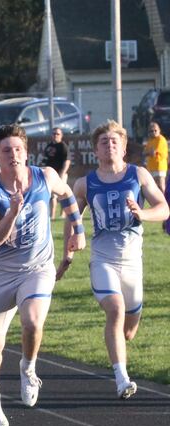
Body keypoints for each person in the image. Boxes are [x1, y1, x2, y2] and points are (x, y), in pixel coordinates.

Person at [0, 124, 85, 426]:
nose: (13, 155)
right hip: (3, 273)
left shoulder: (45, 176)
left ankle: (28, 368)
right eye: (6, 150)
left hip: (38, 268)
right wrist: (12, 213)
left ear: (27, 153)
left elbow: (67, 194)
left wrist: (78, 230)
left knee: (33, 322)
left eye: (18, 149)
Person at [61, 120, 169, 399]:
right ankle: (122, 379)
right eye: (104, 142)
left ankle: (119, 348)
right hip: (103, 260)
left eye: (114, 141)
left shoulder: (138, 174)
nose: (109, 145)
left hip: (132, 261)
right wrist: (68, 253)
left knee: (128, 331)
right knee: (115, 310)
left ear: (123, 148)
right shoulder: (84, 183)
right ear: (95, 150)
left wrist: (142, 214)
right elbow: (71, 218)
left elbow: (163, 208)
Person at [41, 127, 72, 219]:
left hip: (60, 174)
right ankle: (52, 215)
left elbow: (67, 161)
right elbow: (44, 159)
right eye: (54, 133)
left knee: (62, 194)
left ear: (61, 135)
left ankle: (63, 214)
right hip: (50, 175)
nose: (55, 135)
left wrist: (62, 173)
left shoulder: (63, 146)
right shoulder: (49, 146)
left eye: (57, 134)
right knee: (52, 195)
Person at [144, 122, 167, 196]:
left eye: (155, 130)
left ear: (159, 130)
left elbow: (153, 153)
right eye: (151, 131)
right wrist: (148, 152)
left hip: (159, 166)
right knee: (154, 187)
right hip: (151, 167)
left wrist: (148, 152)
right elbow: (144, 152)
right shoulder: (150, 141)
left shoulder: (161, 139)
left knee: (161, 185)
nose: (153, 132)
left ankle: (165, 200)